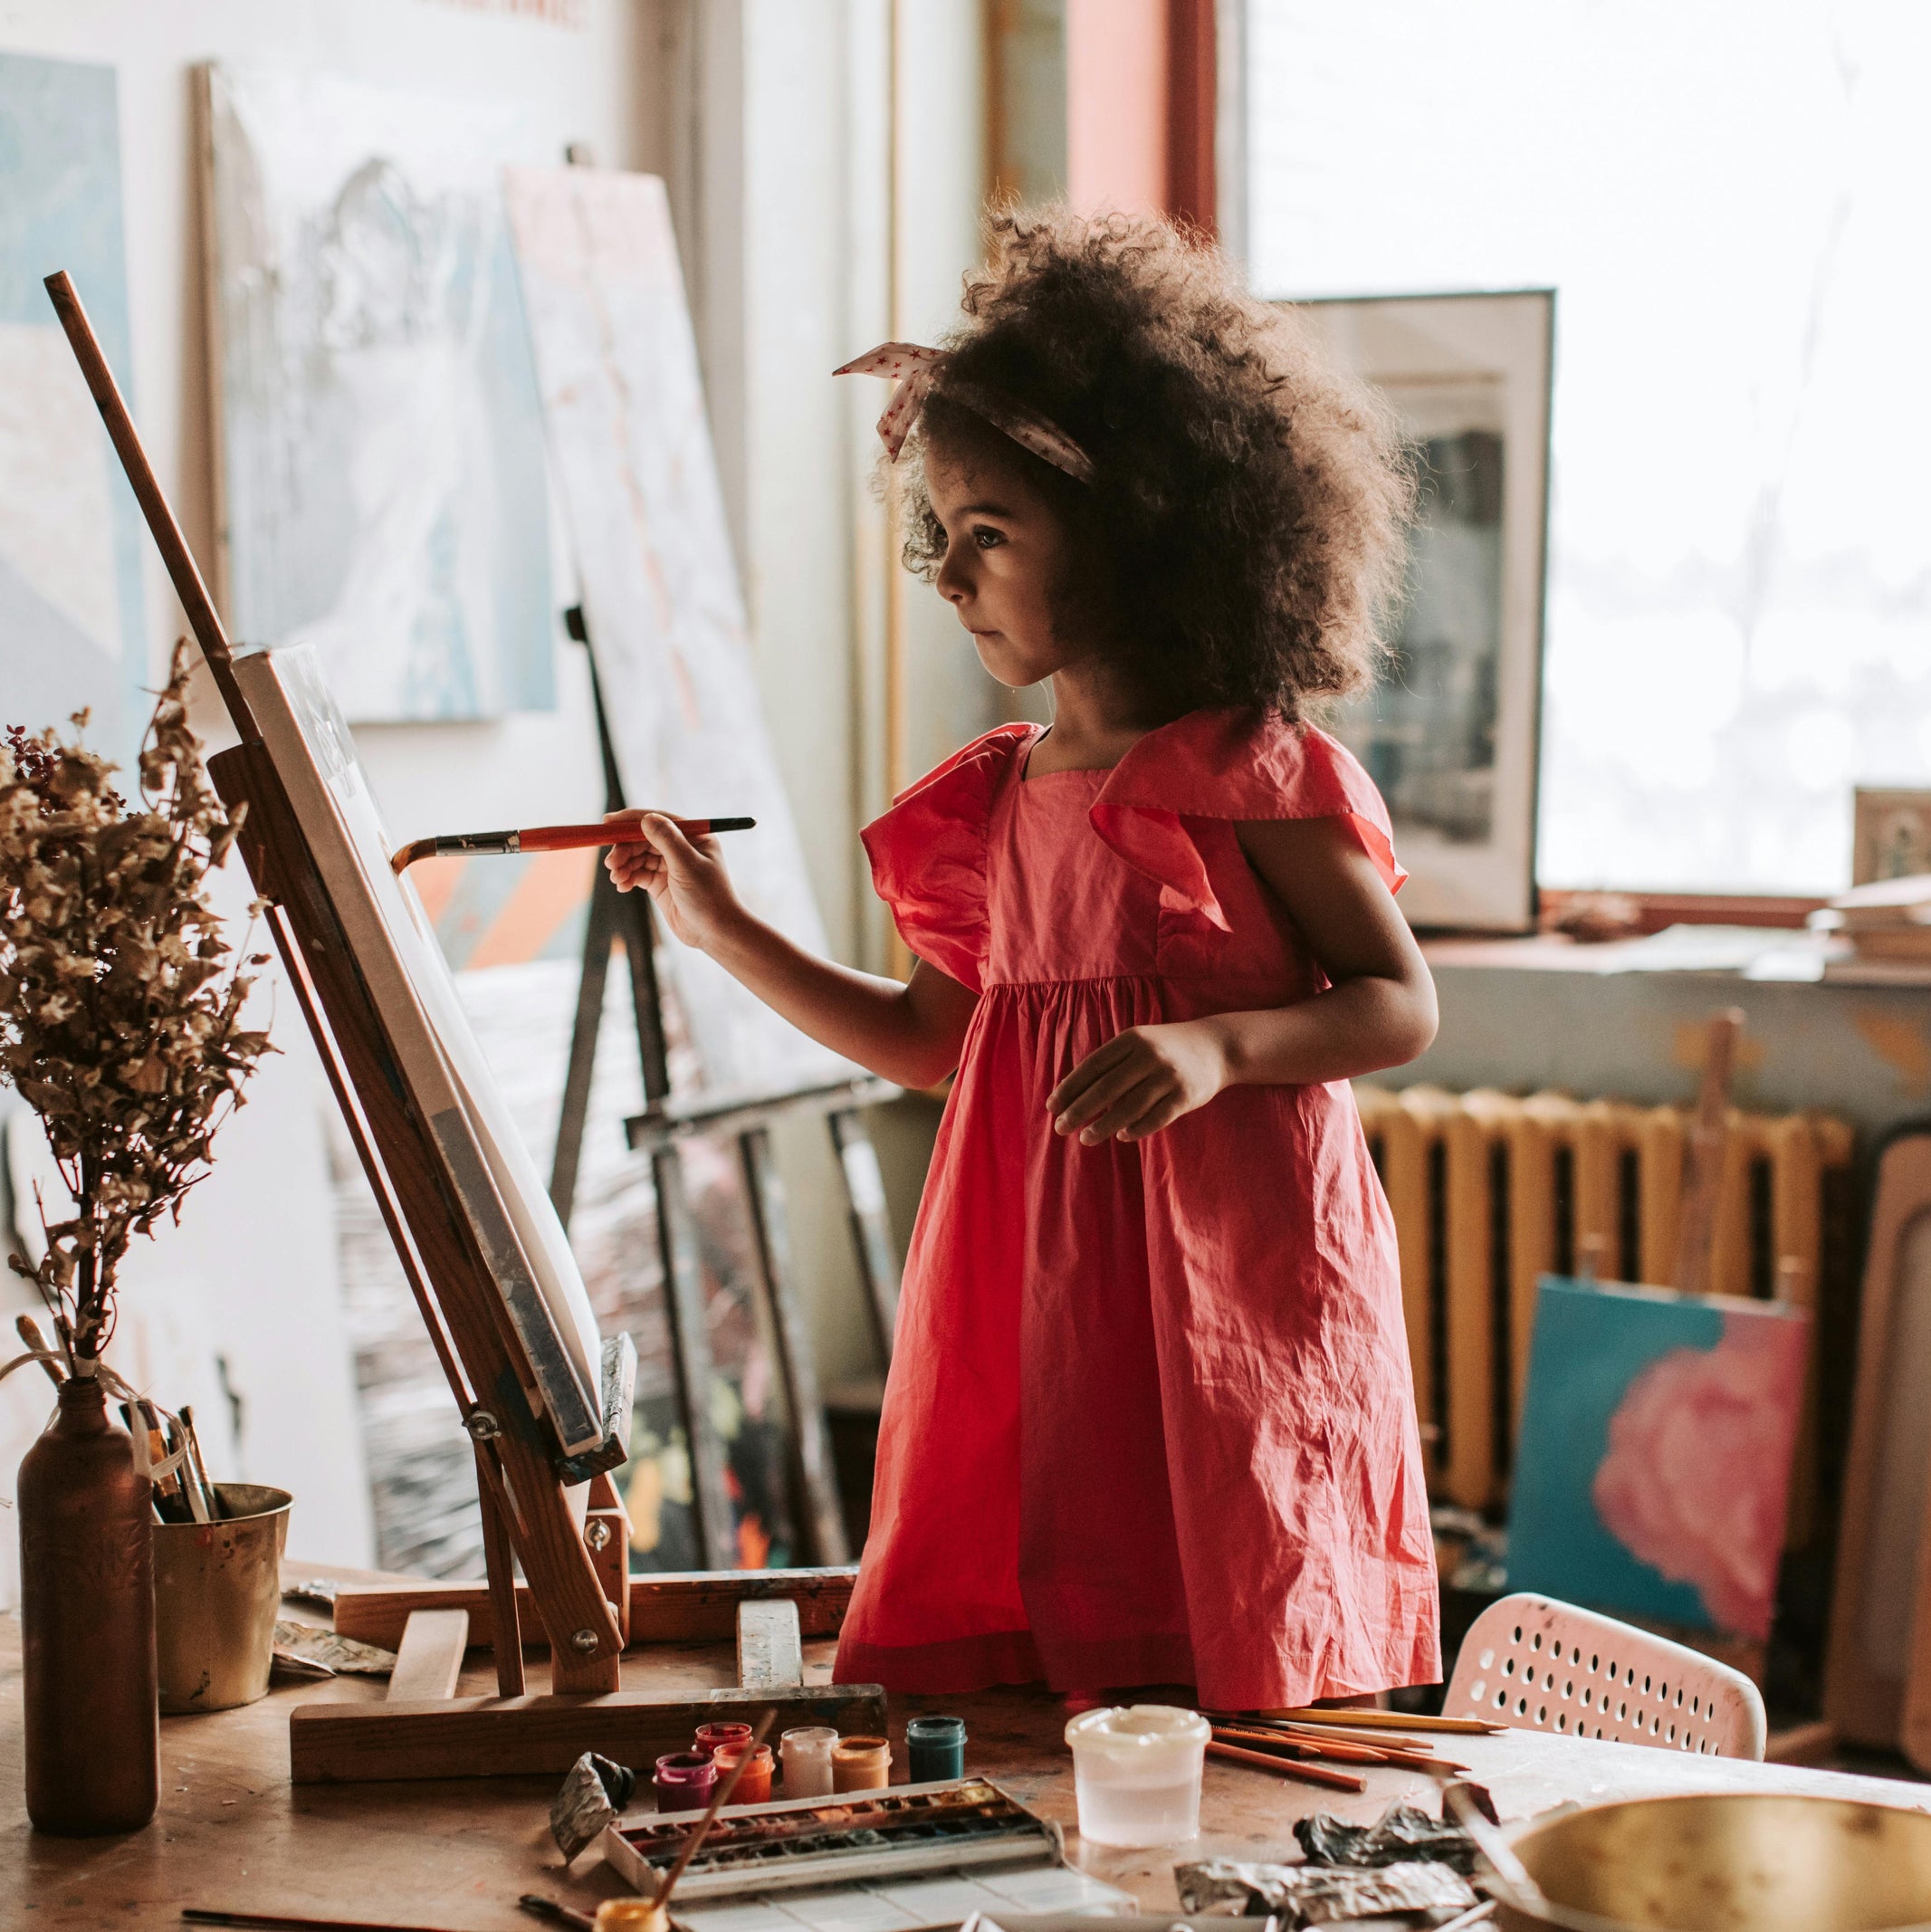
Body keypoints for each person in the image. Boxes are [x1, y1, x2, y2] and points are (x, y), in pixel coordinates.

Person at [604, 206, 1439, 1710]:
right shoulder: (996, 799)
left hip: (1235, 1296)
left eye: (988, 534)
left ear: (1135, 529)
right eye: (944, 532)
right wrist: (722, 929)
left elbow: (1397, 1002)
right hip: (1043, 1296)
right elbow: (941, 1040)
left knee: (1239, 1615)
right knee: (1058, 1633)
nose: (949, 572)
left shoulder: (1251, 766)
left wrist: (1218, 1046)